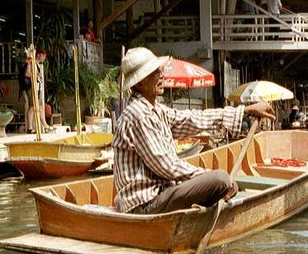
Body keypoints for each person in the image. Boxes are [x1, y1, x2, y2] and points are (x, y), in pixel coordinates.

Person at [112, 47, 275, 215]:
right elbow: (167, 167)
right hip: (145, 205)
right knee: (221, 179)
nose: (161, 74)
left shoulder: (157, 110)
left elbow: (192, 119)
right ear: (139, 83)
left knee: (219, 181)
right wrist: (208, 178)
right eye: (154, 72)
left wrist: (245, 111)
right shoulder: (138, 115)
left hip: (161, 194)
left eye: (159, 70)